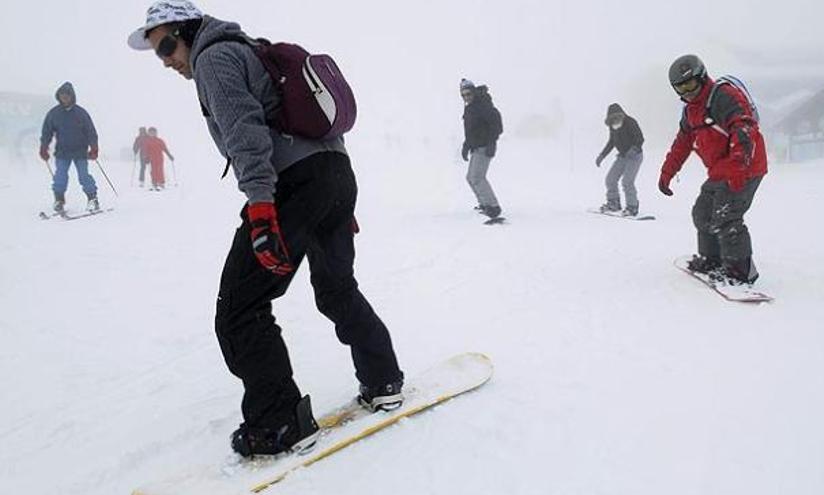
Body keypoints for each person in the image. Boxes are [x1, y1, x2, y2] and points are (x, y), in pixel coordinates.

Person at [128, 0, 404, 457]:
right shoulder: (252, 49)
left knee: (240, 308)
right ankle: (383, 379)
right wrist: (332, 200)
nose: (168, 61)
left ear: (189, 31)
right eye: (159, 54)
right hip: (333, 173)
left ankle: (278, 423)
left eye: (168, 46)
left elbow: (245, 132)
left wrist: (260, 207)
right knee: (337, 289)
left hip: (292, 184)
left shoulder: (214, 57)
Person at [658, 54, 767, 284]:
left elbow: (744, 126)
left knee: (726, 216)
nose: (687, 92)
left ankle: (740, 272)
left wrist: (738, 166)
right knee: (703, 213)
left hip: (746, 165)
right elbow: (682, 142)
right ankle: (712, 260)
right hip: (719, 170)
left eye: (690, 84)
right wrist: (667, 173)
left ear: (702, 77)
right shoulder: (690, 111)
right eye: (681, 88)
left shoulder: (723, 96)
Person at [39, 82, 100, 212]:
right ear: (59, 97)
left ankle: (92, 199)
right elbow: (47, 132)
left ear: (72, 96)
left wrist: (94, 148)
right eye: (62, 96)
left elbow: (90, 131)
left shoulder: (81, 113)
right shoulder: (54, 114)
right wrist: (44, 147)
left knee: (84, 176)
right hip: (62, 152)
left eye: (67, 95)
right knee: (60, 176)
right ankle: (59, 200)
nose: (64, 98)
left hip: (80, 151)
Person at [460, 78, 504, 219]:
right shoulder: (470, 107)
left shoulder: (483, 106)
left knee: (477, 178)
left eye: (469, 93)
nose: (467, 97)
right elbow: (471, 131)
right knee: (470, 178)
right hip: (476, 147)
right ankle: (484, 204)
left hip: (485, 147)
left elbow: (497, 125)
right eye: (464, 94)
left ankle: (493, 207)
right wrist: (466, 146)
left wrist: (492, 142)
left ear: (473, 92)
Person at [595, 103, 644, 216]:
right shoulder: (613, 126)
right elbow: (611, 142)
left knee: (627, 181)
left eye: (617, 117)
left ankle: (632, 207)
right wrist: (602, 156)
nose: (615, 120)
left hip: (634, 157)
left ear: (621, 115)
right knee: (610, 179)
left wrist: (634, 149)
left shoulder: (630, 122)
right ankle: (614, 203)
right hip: (622, 157)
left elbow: (640, 138)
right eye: (612, 118)